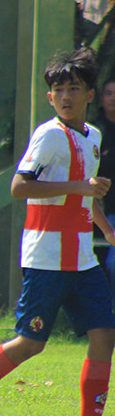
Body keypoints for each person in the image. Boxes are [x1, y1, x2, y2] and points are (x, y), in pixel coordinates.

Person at [0, 47, 115, 416]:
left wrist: (106, 229)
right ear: (49, 97)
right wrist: (80, 187)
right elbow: (19, 187)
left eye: (74, 88)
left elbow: (87, 195)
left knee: (104, 335)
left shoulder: (93, 136)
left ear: (89, 94)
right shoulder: (49, 135)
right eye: (58, 90)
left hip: (83, 259)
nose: (66, 96)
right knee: (31, 343)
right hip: (46, 258)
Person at [95, 78, 115, 292]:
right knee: (108, 264)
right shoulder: (93, 131)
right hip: (101, 205)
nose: (113, 98)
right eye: (109, 93)